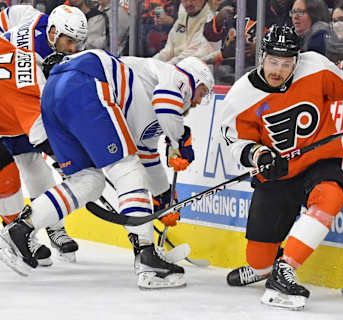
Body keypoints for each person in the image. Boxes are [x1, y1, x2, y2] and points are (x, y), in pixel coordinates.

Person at [0, 49, 214, 289]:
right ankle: (147, 258)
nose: (196, 102)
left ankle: (20, 230)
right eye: (201, 92)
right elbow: (167, 106)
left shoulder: (149, 109)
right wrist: (181, 138)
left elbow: (148, 157)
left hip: (54, 94)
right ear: (193, 79)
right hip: (86, 83)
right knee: (127, 169)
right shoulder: (173, 74)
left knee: (88, 181)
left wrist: (163, 197)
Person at [221, 25, 343, 310]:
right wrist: (259, 154)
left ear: (296, 61)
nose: (278, 70)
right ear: (262, 58)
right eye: (273, 62)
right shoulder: (241, 95)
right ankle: (265, 268)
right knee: (258, 258)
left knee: (332, 194)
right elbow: (235, 142)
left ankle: (284, 269)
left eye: (286, 64)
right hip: (277, 173)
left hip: (318, 162)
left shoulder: (314, 67)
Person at [0, 4, 88, 261]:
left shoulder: (39, 19)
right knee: (20, 167)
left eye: (78, 42)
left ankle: (52, 226)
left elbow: (8, 14)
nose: (73, 48)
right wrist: (63, 155)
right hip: (15, 105)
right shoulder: (35, 62)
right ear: (53, 32)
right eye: (69, 41)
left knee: (32, 164)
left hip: (14, 104)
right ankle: (20, 233)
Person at [153, 0, 219, 64]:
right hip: (174, 65)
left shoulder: (210, 20)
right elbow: (168, 50)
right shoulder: (183, 12)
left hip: (194, 68)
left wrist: (165, 67)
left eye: (193, 0)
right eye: (185, 0)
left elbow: (191, 53)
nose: (188, 4)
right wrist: (150, 62)